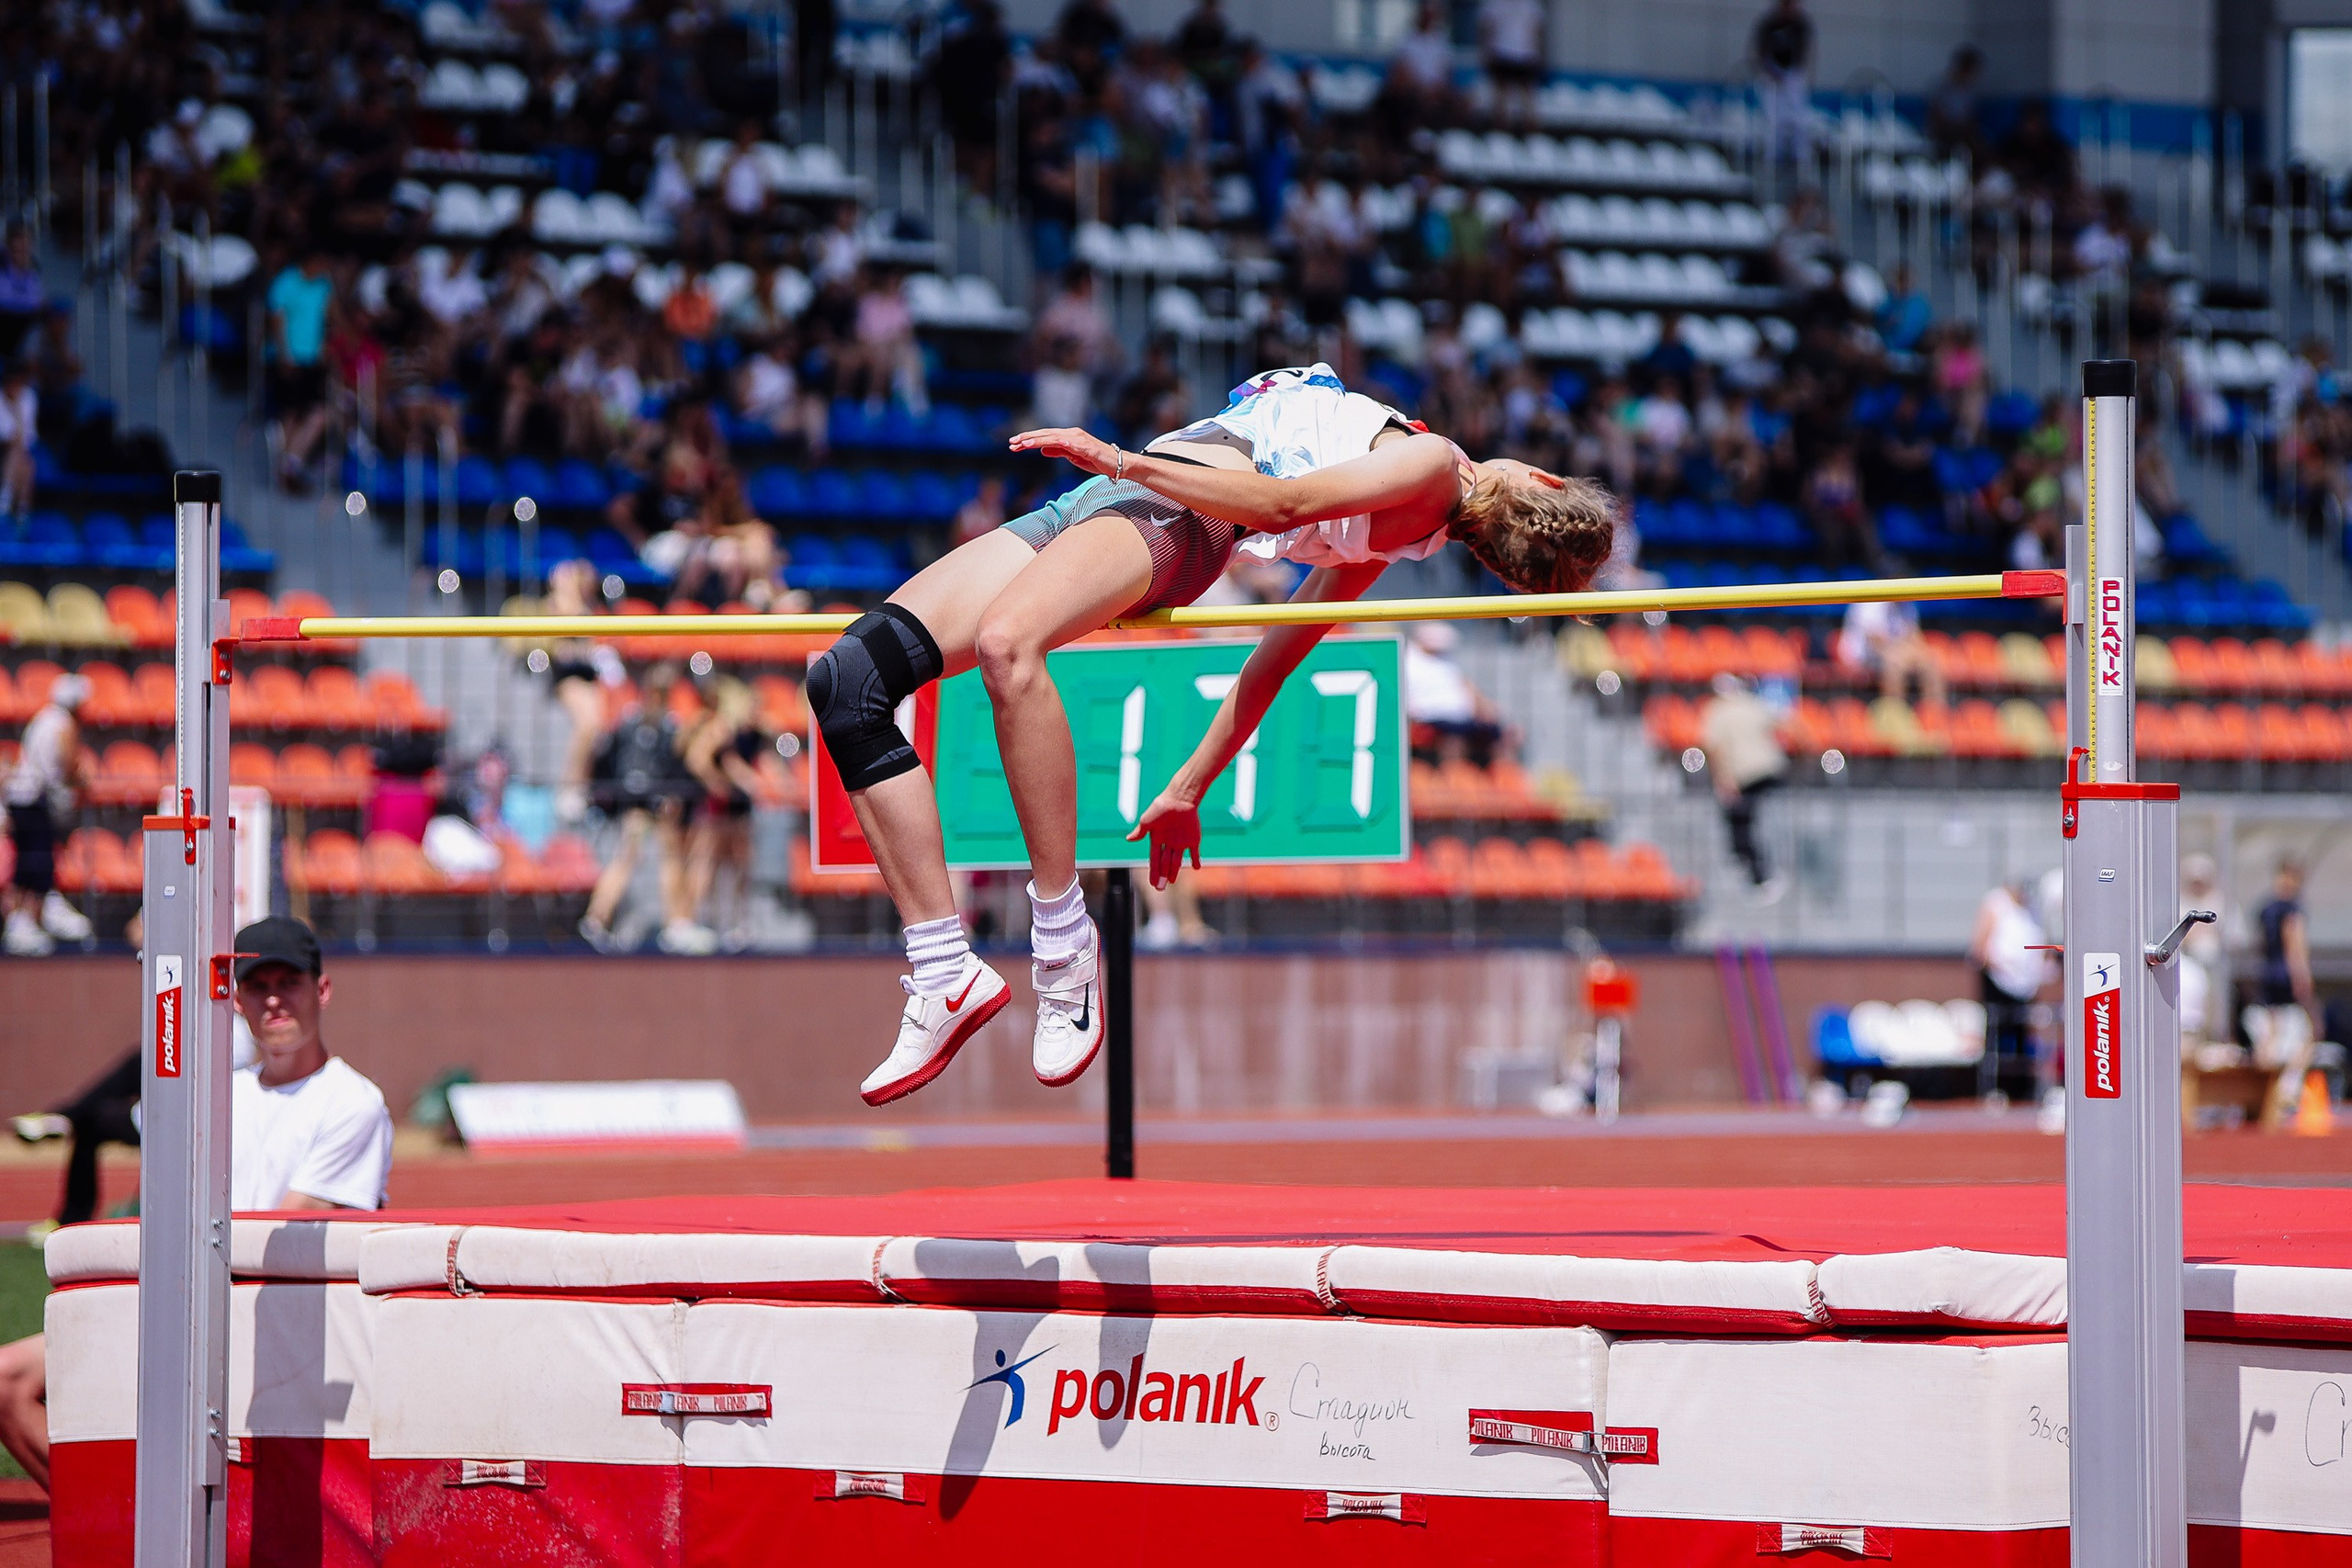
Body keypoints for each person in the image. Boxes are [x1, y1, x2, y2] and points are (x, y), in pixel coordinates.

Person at [811, 362, 1614, 1106]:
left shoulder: (1435, 465)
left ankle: (1062, 947)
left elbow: (1282, 506)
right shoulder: (1392, 534)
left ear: (1538, 478)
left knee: (1006, 645)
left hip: (1170, 511)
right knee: (849, 683)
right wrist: (1186, 787)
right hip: (1109, 506)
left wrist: (1119, 458)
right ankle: (944, 967)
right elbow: (1270, 665)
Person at [0, 918, 394, 1492]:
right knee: (8, 1384)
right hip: (204, 1304)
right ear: (236, 999)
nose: (275, 999)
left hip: (285, 1326)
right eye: (260, 985)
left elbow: (273, 1236)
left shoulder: (353, 1101)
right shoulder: (223, 1094)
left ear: (322, 991)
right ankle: (114, 1533)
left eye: (291, 982)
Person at [580, 663, 712, 954]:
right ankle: (596, 919)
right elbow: (626, 761)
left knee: (667, 858)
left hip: (653, 801)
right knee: (632, 857)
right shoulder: (639, 723)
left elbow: (670, 761)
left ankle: (675, 923)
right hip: (641, 802)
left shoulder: (662, 723)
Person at [4, 673, 95, 955]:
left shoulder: (42, 718)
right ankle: (25, 921)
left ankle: (22, 922)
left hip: (21, 796)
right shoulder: (63, 724)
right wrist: (82, 780)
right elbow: (69, 765)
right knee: (38, 863)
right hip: (35, 798)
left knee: (29, 862)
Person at [1700, 672, 1787, 897]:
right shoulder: (1753, 705)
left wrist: (1722, 779)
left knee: (1744, 824)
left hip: (1745, 776)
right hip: (1770, 771)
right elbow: (1782, 724)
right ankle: (1754, 868)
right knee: (1750, 822)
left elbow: (1715, 749)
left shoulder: (1717, 712)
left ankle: (1756, 872)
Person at [2251, 860, 2321, 1129]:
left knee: (2272, 1034)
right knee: (2308, 1034)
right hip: (2286, 975)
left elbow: (2261, 945)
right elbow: (2295, 944)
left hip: (2268, 973)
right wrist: (2303, 978)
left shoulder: (2265, 908)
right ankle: (2287, 1089)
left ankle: (2270, 1093)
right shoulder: (2291, 908)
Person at [1969, 875, 2050, 1100]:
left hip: (2025, 985)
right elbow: (1980, 947)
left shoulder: (2031, 908)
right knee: (1997, 1035)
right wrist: (2002, 967)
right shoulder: (1995, 904)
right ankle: (1994, 1088)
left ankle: (2022, 1090)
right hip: (1998, 982)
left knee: (2022, 1035)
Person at [266, 250, 335, 491]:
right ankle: (285, 468)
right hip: (289, 358)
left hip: (312, 360)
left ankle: (290, 463)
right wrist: (284, 354)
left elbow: (325, 318)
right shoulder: (286, 282)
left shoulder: (324, 286)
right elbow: (276, 319)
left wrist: (324, 346)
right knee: (291, 413)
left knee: (317, 412)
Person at [1405, 621, 1508, 767]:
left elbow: (1465, 684)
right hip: (1431, 716)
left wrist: (1485, 707)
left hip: (1459, 716)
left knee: (1496, 731)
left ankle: (1495, 778)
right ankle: (1452, 778)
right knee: (1454, 737)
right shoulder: (1409, 661)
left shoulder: (1444, 660)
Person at [1750, 0, 1814, 171]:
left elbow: (1804, 53)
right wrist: (1770, 71)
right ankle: (1772, 157)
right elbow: (1759, 50)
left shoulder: (1800, 24)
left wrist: (1794, 75)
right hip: (1772, 72)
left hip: (1793, 74)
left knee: (1797, 117)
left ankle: (1798, 156)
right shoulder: (1769, 23)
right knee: (1772, 118)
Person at [1479, 0, 1546, 131]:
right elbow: (1487, 27)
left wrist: (1540, 52)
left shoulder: (1530, 4)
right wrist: (1486, 51)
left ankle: (1530, 131)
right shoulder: (1495, 4)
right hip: (1502, 52)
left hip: (1525, 54)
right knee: (1501, 95)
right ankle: (1500, 129)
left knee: (1527, 95)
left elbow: (1537, 30)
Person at [0, 358, 35, 521]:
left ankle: (10, 502)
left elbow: (27, 437)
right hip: (2, 451)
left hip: (18, 453)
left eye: (18, 381)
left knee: (27, 464)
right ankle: (17, 506)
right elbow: (7, 436)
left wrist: (16, 408)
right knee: (18, 455)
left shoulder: (29, 397)